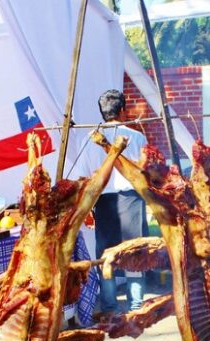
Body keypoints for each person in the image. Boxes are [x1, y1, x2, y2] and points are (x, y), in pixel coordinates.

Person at [77, 89, 148, 316]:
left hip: (105, 202)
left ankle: (110, 307)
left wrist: (87, 208)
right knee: (133, 252)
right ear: (123, 110)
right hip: (131, 200)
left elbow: (84, 178)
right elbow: (145, 172)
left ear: (102, 113)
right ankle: (135, 306)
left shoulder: (89, 140)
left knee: (107, 253)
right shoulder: (136, 137)